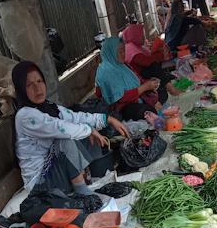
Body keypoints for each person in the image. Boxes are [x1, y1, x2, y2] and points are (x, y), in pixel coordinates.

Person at [13, 61, 130, 194]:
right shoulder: (26, 115)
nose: (37, 87)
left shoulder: (49, 107)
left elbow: (74, 117)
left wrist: (106, 119)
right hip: (40, 184)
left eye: (39, 81)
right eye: (29, 85)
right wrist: (89, 129)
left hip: (54, 171)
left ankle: (95, 175)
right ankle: (83, 193)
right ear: (21, 89)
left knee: (83, 131)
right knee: (67, 140)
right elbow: (61, 128)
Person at [95, 37, 165, 121]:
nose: (123, 54)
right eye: (120, 51)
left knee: (162, 92)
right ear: (111, 52)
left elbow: (138, 79)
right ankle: (154, 108)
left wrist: (150, 83)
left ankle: (155, 106)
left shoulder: (123, 65)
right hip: (121, 107)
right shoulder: (106, 70)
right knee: (144, 110)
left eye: (124, 50)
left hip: (136, 98)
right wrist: (144, 87)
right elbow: (121, 98)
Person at [122, 24, 184, 97]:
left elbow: (150, 56)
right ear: (135, 35)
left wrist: (159, 52)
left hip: (144, 74)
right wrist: (160, 55)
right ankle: (172, 90)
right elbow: (145, 61)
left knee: (156, 64)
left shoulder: (137, 47)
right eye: (141, 34)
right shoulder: (129, 48)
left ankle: (165, 85)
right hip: (138, 78)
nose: (143, 37)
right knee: (153, 65)